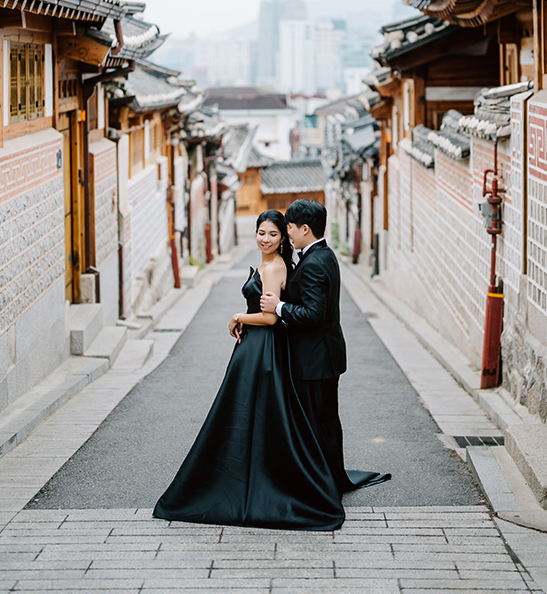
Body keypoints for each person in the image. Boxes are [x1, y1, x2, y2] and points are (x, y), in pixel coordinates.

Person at [153, 209, 346, 531]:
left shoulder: (276, 267)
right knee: (256, 414)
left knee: (256, 413)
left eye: (273, 234)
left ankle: (277, 477)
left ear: (286, 235)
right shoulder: (277, 262)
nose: (266, 239)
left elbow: (270, 317)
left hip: (263, 348)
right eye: (261, 233)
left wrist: (238, 317)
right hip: (257, 347)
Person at [260, 199, 389, 495]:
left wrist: (278, 306)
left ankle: (319, 485)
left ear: (305, 229)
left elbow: (313, 314)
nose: (287, 234)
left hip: (314, 360)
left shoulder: (315, 262)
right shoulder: (323, 254)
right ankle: (329, 478)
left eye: (289, 229)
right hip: (324, 357)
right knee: (327, 422)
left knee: (316, 425)